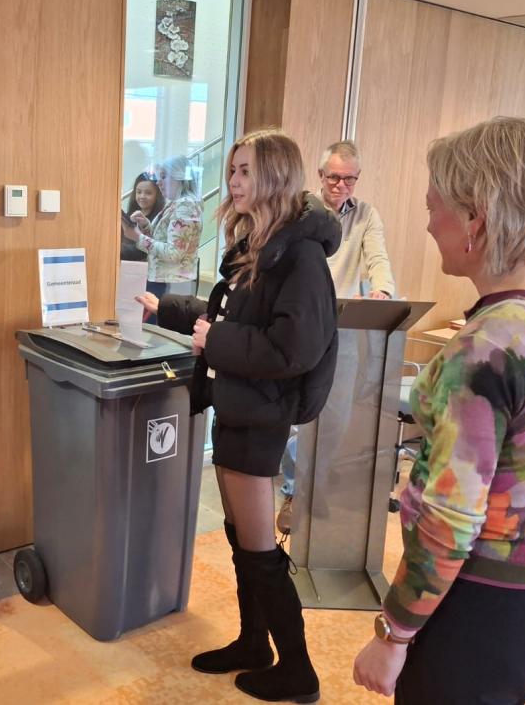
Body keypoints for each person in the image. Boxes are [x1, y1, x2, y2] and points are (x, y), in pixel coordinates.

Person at [352, 117, 525, 702]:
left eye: (433, 206)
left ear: (477, 217)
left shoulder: (487, 346)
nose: (427, 223)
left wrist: (393, 634)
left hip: (485, 597)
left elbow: (451, 520)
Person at [138, 129, 340, 703]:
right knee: (239, 536)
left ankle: (297, 671)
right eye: (232, 170)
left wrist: (216, 341)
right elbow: (232, 312)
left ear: (276, 175)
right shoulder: (262, 241)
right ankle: (254, 644)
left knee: (258, 549)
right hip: (238, 404)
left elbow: (290, 349)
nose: (233, 182)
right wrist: (174, 309)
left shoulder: (300, 256)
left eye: (246, 171)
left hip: (261, 415)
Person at [277, 140, 397, 533]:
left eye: (349, 179)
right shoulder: (299, 210)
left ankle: (315, 484)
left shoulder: (365, 215)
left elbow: (377, 257)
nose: (341, 185)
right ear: (320, 175)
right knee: (299, 415)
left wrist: (382, 289)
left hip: (343, 329)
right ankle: (296, 489)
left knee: (336, 418)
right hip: (301, 325)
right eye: (333, 177)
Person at [123, 154, 202, 322]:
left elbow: (174, 252)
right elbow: (164, 239)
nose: (159, 182)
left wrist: (138, 238)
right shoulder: (175, 203)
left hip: (173, 283)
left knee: (161, 336)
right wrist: (145, 226)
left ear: (179, 177)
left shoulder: (185, 205)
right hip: (164, 280)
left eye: (164, 177)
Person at [120, 171, 166, 262]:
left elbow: (149, 250)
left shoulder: (161, 218)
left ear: (158, 195)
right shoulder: (130, 215)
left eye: (148, 193)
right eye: (139, 192)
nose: (142, 196)